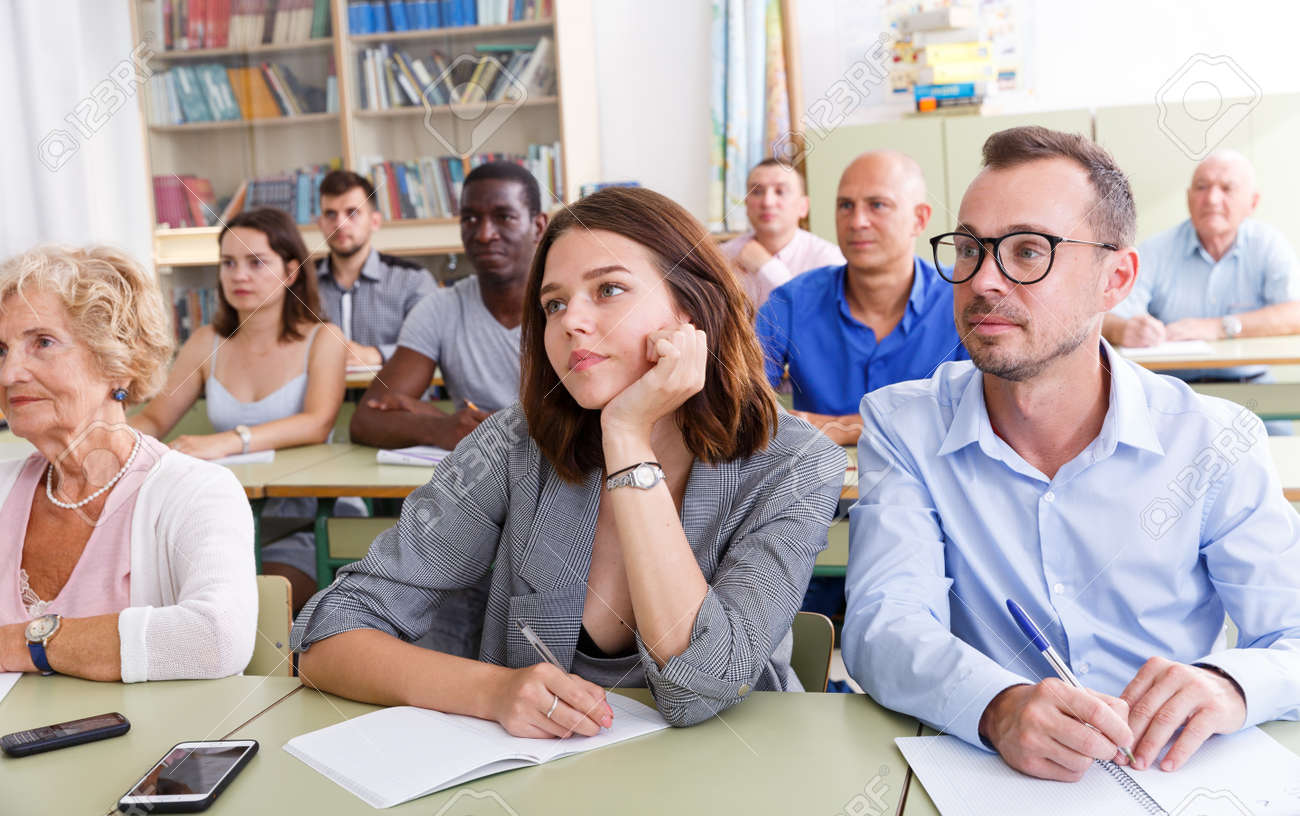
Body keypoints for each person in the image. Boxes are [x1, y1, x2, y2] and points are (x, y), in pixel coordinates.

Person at [291, 186, 846, 733]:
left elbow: (696, 689)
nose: (570, 321)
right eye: (554, 303)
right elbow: (324, 636)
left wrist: (627, 436)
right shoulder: (514, 443)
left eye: (608, 289)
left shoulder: (797, 465)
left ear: (691, 307)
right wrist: (491, 691)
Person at [843, 126, 1300, 783]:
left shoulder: (1213, 441)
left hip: (1176, 778)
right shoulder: (903, 424)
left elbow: (1292, 633)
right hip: (988, 778)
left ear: (1116, 278)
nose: (984, 280)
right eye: (969, 249)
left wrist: (1228, 685)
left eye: (1028, 251)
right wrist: (996, 707)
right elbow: (884, 626)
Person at [0, 245, 256, 681]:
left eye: (42, 343)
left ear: (118, 362)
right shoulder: (5, 487)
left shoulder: (197, 490)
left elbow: (217, 639)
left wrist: (22, 642)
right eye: (1, 350)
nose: (9, 374)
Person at [130, 208, 347, 610]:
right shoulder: (205, 341)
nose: (238, 276)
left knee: (261, 606)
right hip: (220, 515)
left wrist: (228, 442)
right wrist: (106, 444)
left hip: (306, 517)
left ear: (291, 272)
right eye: (228, 263)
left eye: (256, 262)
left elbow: (317, 423)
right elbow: (156, 418)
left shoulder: (324, 338)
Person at [757, 150, 967, 447]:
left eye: (877, 205)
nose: (857, 221)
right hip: (823, 488)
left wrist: (837, 428)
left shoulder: (964, 298)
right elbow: (744, 407)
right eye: (845, 205)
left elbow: (982, 414)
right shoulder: (791, 302)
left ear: (919, 219)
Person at [349, 162, 548, 450]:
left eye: (504, 217)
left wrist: (435, 416)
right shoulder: (439, 309)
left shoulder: (568, 306)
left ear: (538, 226)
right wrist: (441, 426)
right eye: (469, 219)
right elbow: (366, 419)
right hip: (479, 482)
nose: (483, 234)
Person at [1103, 150, 1300, 385]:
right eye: (1201, 187)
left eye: (1227, 189)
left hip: (1252, 386)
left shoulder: (1269, 245)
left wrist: (1219, 327)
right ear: (1188, 197)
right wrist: (1124, 329)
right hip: (1174, 390)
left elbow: (1295, 313)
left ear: (1252, 202)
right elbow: (1104, 315)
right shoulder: (1155, 250)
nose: (1212, 199)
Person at [314, 170, 438, 367]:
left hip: (393, 396)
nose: (340, 224)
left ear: (375, 221)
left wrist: (377, 355)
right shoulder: (299, 280)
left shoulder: (413, 279)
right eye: (330, 214)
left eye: (352, 213)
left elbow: (435, 343)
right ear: (320, 223)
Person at [718, 159, 844, 310]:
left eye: (780, 192)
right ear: (746, 204)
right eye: (757, 192)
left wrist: (767, 267)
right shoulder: (721, 257)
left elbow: (819, 322)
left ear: (803, 206)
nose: (767, 202)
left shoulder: (830, 261)